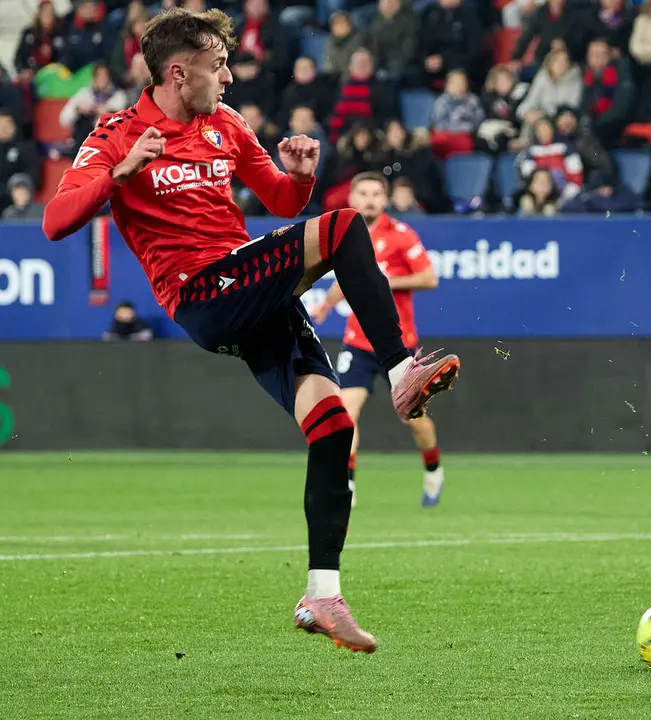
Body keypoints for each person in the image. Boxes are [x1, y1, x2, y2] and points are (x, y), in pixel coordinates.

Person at [40, 8, 462, 655]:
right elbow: (55, 220)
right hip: (203, 293)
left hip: (252, 292)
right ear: (179, 73)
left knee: (333, 424)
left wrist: (296, 175)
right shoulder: (118, 135)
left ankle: (321, 594)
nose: (230, 77)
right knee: (346, 226)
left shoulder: (226, 125)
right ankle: (402, 369)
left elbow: (283, 203)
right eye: (218, 66)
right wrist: (117, 177)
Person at [311, 173, 444, 509]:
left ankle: (433, 467)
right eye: (363, 193)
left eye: (375, 194)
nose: (369, 200)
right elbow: (348, 279)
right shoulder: (346, 235)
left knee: (411, 418)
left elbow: (429, 278)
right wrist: (327, 304)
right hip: (357, 340)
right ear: (352, 198)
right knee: (345, 412)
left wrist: (386, 280)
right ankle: (348, 486)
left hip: (397, 344)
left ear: (384, 200)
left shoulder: (400, 235)